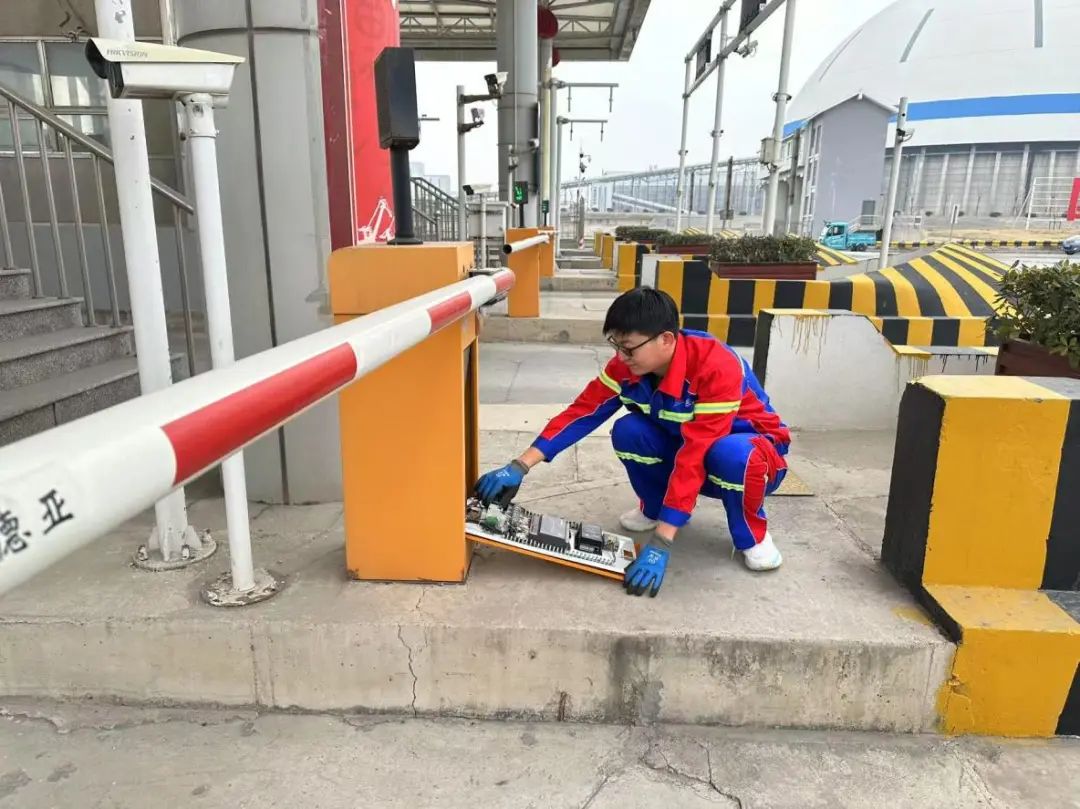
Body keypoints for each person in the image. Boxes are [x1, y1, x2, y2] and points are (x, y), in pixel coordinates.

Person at [474, 287, 791, 598]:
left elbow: (696, 454)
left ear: (666, 340)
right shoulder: (627, 367)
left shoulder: (715, 366)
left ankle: (752, 535)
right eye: (616, 346)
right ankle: (654, 508)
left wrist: (662, 542)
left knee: (732, 455)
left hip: (753, 456)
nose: (621, 357)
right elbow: (583, 412)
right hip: (687, 443)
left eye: (628, 348)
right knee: (629, 431)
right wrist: (521, 465)